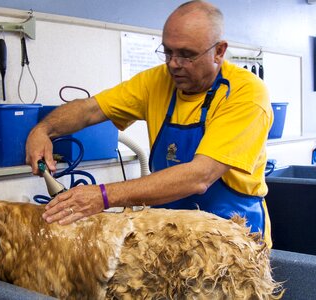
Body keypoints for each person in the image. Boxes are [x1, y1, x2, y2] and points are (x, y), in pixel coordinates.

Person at [26, 0, 273, 247]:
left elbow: (200, 176)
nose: (174, 64)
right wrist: (43, 130)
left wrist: (102, 196)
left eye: (187, 55)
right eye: (168, 52)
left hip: (232, 240)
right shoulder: (157, 81)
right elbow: (90, 110)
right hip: (169, 236)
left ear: (219, 51)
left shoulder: (246, 94)